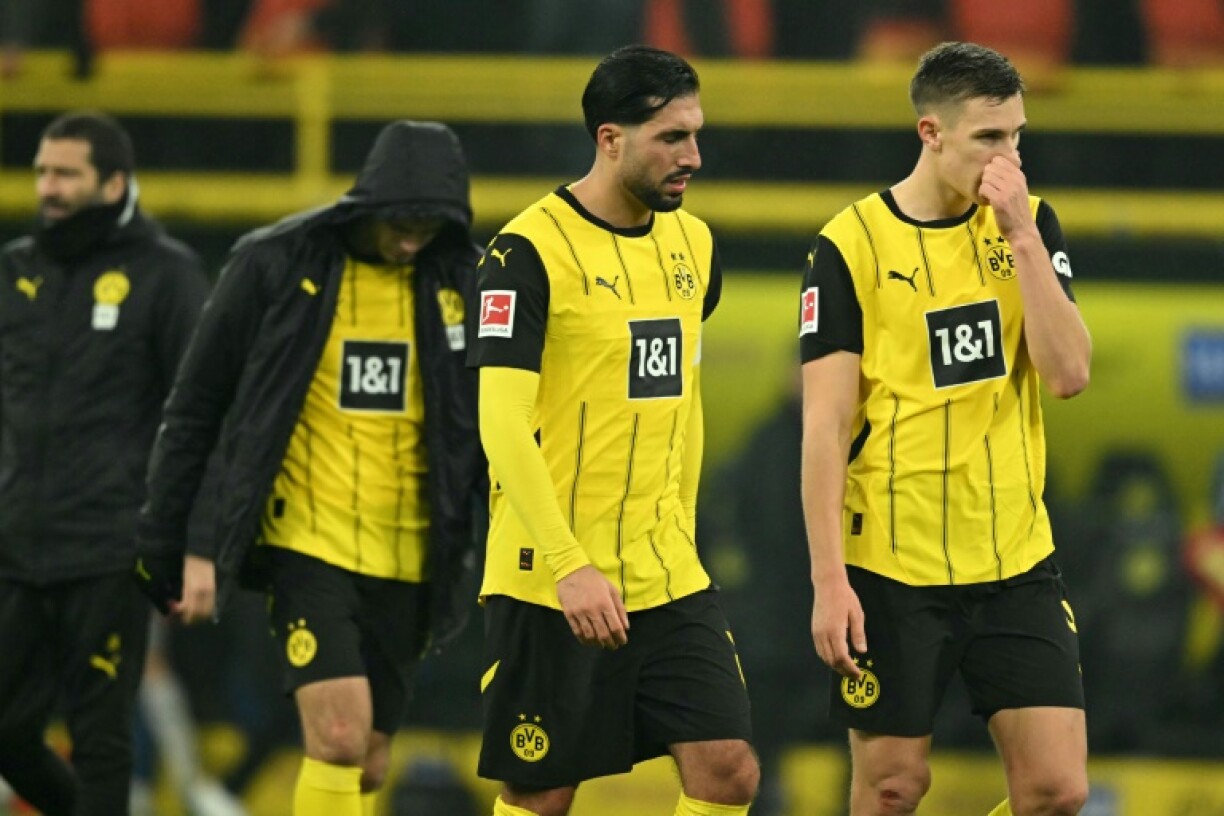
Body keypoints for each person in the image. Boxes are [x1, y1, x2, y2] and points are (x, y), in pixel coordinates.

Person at [132, 119, 486, 815]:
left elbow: (486, 426)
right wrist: (184, 541)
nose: (414, 236)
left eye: (431, 224)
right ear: (368, 202)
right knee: (338, 731)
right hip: (307, 544)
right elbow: (200, 408)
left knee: (368, 759)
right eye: (402, 220)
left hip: (413, 554)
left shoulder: (464, 282)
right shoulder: (274, 264)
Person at [798, 41, 1092, 816]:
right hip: (893, 569)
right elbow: (824, 426)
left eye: (1018, 138)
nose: (1010, 159)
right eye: (989, 139)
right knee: (894, 787)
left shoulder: (1030, 226)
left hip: (1015, 556)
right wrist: (831, 582)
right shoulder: (849, 246)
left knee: (1057, 792)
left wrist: (1023, 237)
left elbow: (1067, 375)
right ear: (931, 133)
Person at [467, 45, 759, 816]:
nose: (692, 156)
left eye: (695, 134)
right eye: (671, 137)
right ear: (609, 139)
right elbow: (499, 421)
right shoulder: (525, 253)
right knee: (541, 794)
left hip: (666, 575)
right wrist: (568, 565)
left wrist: (683, 533)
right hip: (550, 576)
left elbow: (682, 401)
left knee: (729, 769)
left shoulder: (694, 246)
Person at [0, 111, 209, 816]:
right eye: (42, 172)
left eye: (66, 174)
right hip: (16, 546)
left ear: (114, 181)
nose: (48, 188)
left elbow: (203, 416)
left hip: (111, 549)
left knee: (100, 740)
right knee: (6, 731)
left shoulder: (166, 276)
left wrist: (196, 544)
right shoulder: (15, 270)